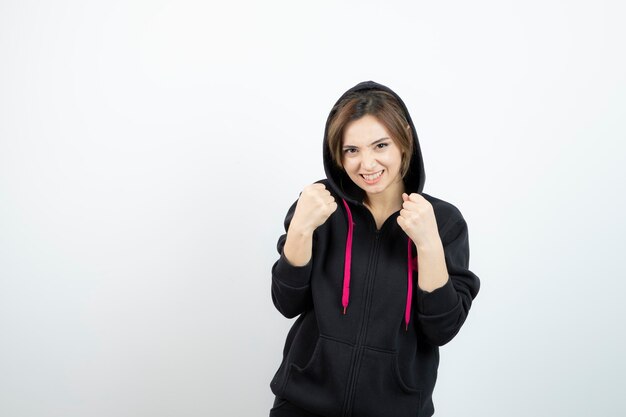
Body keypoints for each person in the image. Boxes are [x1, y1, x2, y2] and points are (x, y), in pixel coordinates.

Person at [268, 80, 480, 417]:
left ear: (404, 139)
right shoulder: (318, 207)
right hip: (302, 406)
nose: (366, 164)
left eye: (380, 145)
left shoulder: (442, 222)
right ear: (337, 154)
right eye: (352, 150)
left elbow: (443, 328)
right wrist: (302, 228)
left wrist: (427, 244)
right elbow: (286, 302)